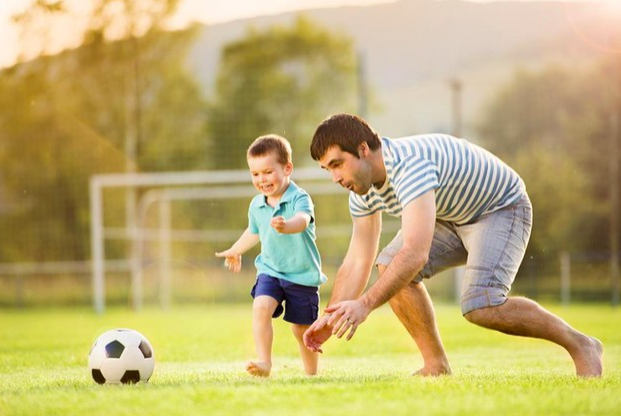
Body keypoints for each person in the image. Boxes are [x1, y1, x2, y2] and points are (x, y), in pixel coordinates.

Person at [302, 113, 603, 377]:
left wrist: (365, 305)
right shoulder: (361, 191)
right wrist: (331, 317)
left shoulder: (409, 167)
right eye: (328, 169)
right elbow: (357, 260)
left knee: (481, 305)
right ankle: (436, 365)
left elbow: (415, 254)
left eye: (337, 164)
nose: (335, 177)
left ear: (363, 149)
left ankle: (581, 343)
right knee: (388, 264)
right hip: (451, 216)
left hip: (499, 208)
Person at [216, 134, 327, 377]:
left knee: (302, 330)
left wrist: (287, 225)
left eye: (267, 172)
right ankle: (264, 362)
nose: (261, 179)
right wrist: (236, 250)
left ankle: (311, 374)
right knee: (261, 306)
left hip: (302, 275)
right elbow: (253, 231)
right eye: (255, 174)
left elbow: (302, 220)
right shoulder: (257, 204)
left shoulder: (300, 197)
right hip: (271, 270)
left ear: (287, 168)